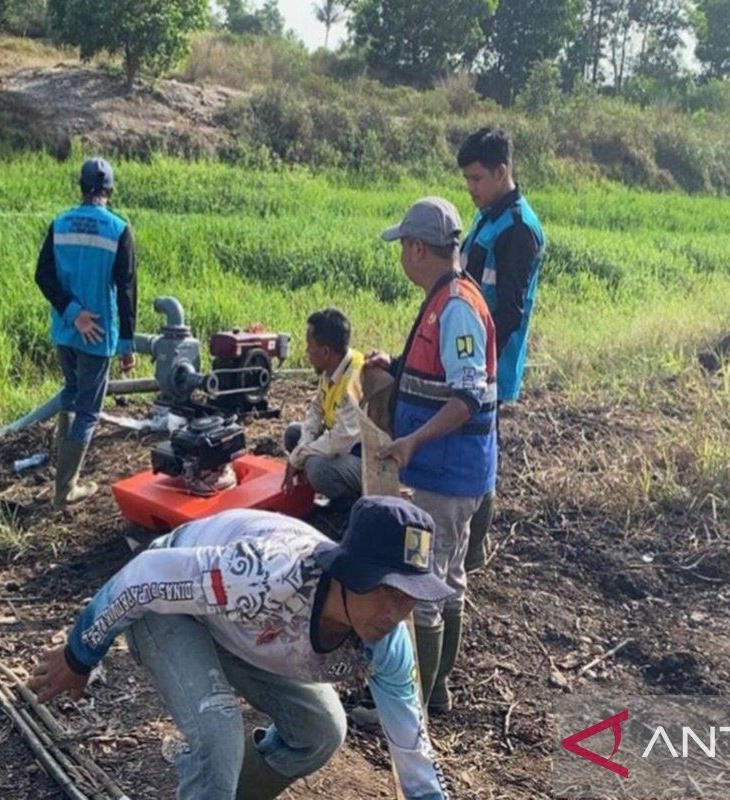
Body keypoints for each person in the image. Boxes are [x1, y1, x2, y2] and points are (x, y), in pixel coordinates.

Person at [27, 496, 451, 800]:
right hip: (171, 609)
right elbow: (145, 577)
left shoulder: (385, 644)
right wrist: (79, 655)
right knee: (219, 732)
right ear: (349, 572)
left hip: (246, 632)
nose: (397, 611)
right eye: (389, 591)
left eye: (411, 596)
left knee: (321, 731)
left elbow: (414, 752)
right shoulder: (264, 575)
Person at [369, 197, 497, 716]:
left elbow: (466, 396)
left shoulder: (458, 307)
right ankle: (435, 690)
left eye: (403, 245)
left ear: (419, 248)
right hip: (450, 470)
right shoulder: (444, 297)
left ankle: (417, 700)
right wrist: (395, 366)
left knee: (427, 584)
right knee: (448, 577)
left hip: (446, 472)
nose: (401, 254)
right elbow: (440, 372)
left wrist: (414, 441)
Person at [456, 127, 545, 573]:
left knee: (482, 448)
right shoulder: (488, 215)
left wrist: (483, 365)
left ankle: (473, 552)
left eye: (476, 179)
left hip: (491, 360)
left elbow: (508, 311)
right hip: (468, 352)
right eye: (467, 180)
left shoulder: (518, 229)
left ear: (501, 171)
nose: (470, 189)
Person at [34, 157, 137, 509]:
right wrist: (127, 343)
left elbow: (43, 276)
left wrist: (73, 313)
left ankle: (64, 477)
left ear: (80, 186)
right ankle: (66, 488)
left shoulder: (60, 224)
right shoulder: (118, 229)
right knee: (89, 409)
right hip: (98, 336)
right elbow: (126, 289)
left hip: (67, 330)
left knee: (72, 393)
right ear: (109, 190)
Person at [282, 308, 363, 506]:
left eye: (309, 346)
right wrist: (302, 447)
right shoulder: (332, 367)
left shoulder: (355, 379)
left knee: (316, 468)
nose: (306, 352)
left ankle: (350, 506)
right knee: (293, 433)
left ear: (325, 351)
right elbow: (316, 410)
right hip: (341, 442)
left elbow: (339, 440)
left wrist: (297, 458)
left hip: (363, 457)